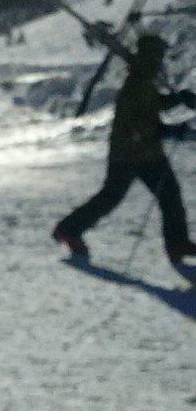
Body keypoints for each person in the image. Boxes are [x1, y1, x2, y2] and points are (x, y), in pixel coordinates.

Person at [53, 32, 195, 263]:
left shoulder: (144, 81)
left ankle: (178, 244)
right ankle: (68, 229)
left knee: (169, 195)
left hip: (147, 153)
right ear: (149, 57)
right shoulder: (135, 84)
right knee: (111, 197)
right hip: (128, 155)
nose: (160, 61)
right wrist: (165, 130)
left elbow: (153, 105)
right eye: (157, 56)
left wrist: (179, 99)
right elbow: (136, 123)